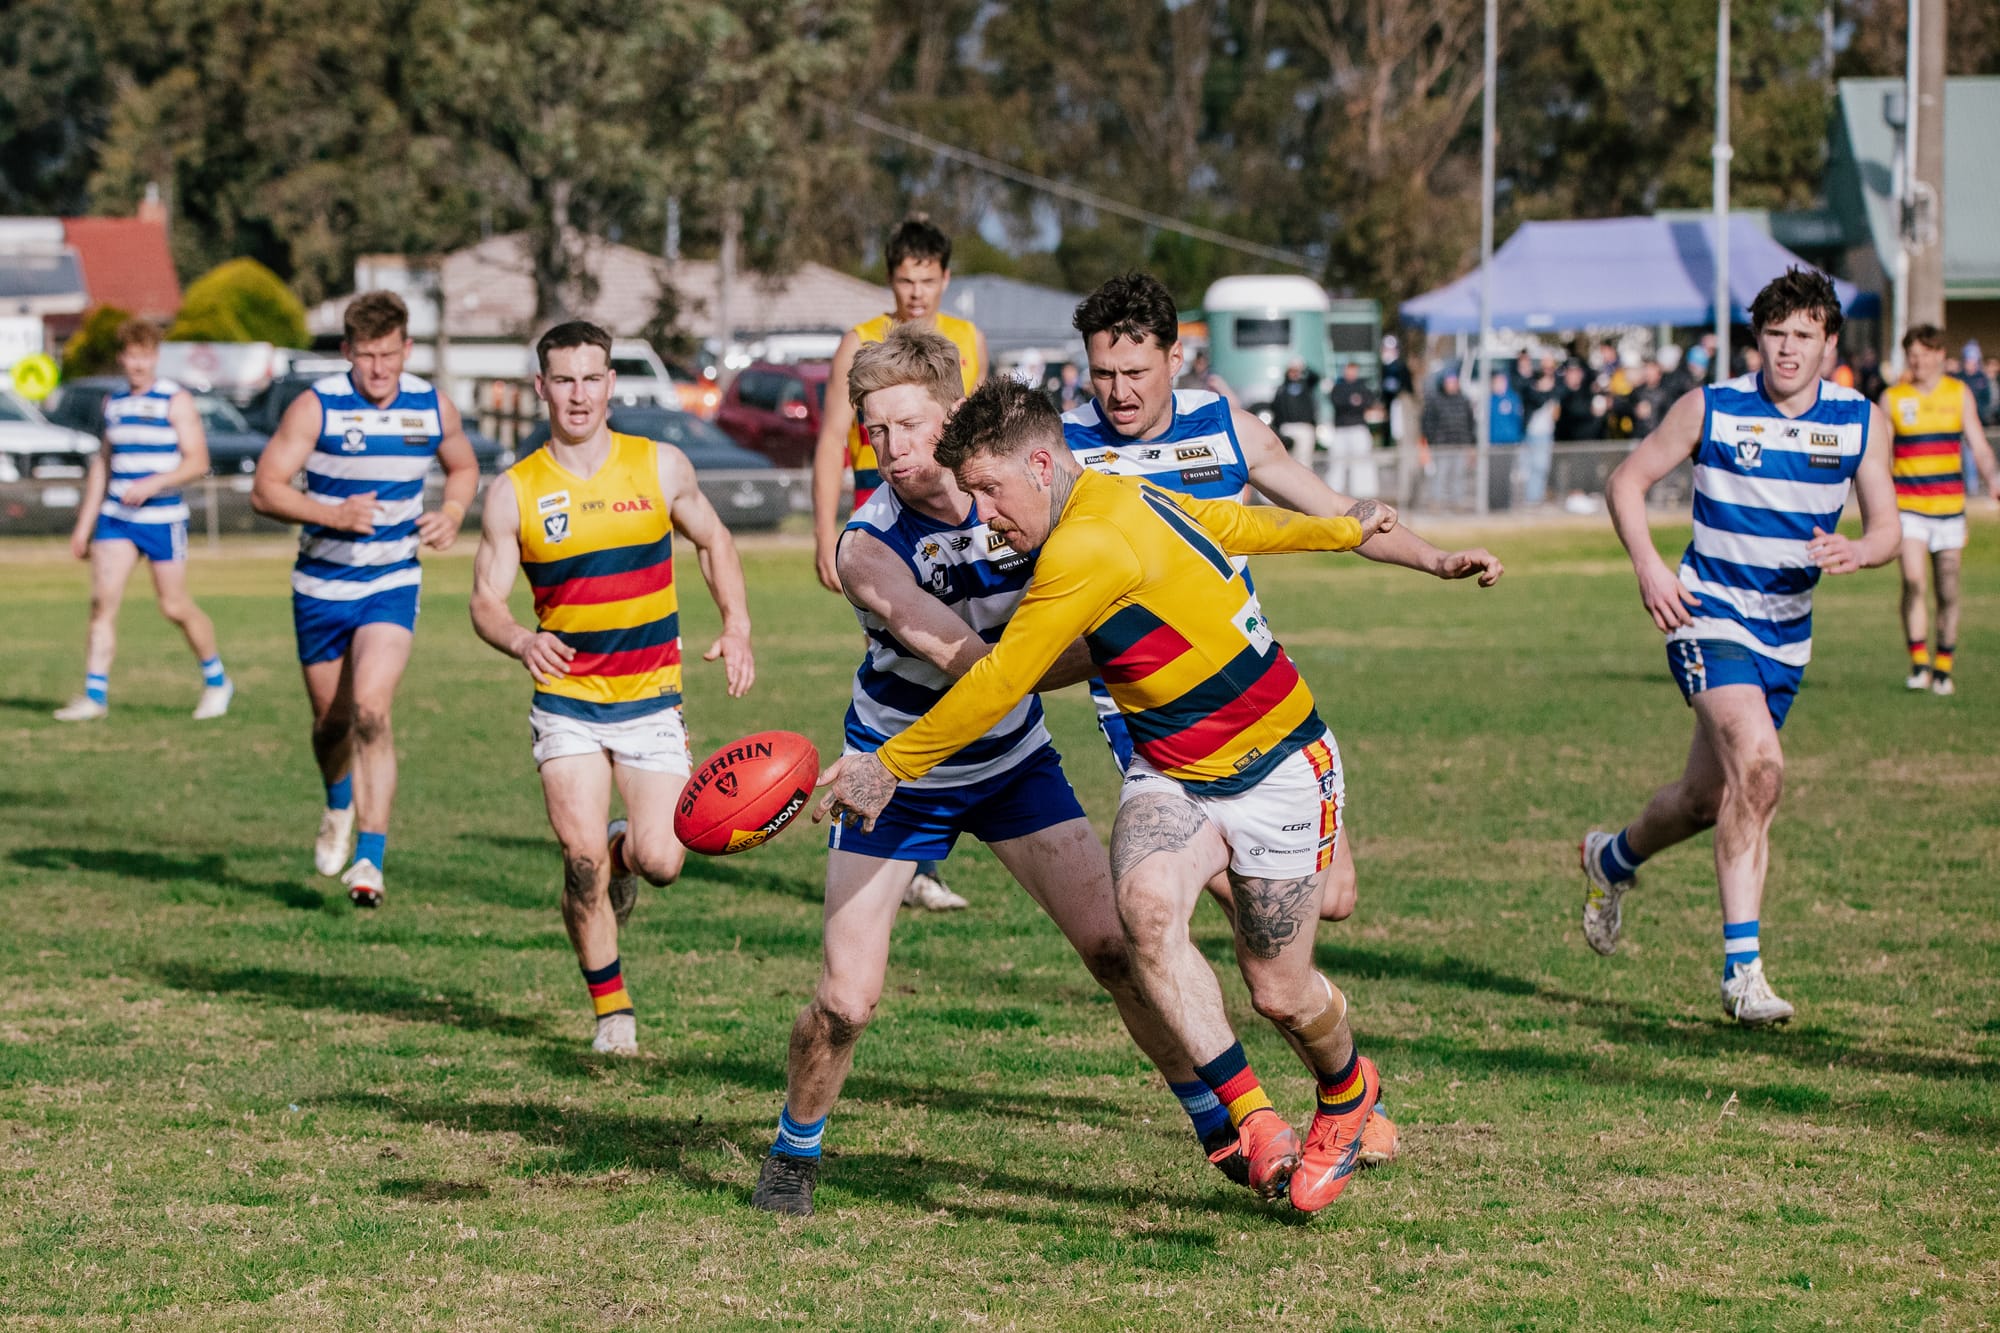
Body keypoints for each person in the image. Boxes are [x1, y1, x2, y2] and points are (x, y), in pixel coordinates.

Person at [818, 379, 1400, 1213]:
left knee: (1280, 991)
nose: (982, 515)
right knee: (1147, 912)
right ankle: (1253, 1118)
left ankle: (1346, 1090)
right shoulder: (1119, 493)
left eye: (990, 489)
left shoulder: (1084, 546)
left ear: (1044, 464)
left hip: (1277, 761)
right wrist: (1339, 527)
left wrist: (890, 763)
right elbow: (1232, 522)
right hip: (1171, 765)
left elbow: (1002, 681)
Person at [752, 330, 1219, 1217]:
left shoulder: (1020, 492)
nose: (892, 449)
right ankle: (794, 1146)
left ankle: (1216, 1119)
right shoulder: (867, 547)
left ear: (954, 416)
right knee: (847, 1002)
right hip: (893, 774)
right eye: (874, 430)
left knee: (1118, 952)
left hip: (1010, 762)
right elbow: (970, 660)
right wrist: (1135, 644)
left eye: (909, 425)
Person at [1060, 272, 1501, 924]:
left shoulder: (1228, 429)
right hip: (1144, 708)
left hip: (1252, 690)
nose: (1118, 392)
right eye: (1102, 373)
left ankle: (1277, 977)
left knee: (1335, 899)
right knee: (1248, 915)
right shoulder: (1063, 449)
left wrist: (1435, 560)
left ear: (1175, 359)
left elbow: (1338, 516)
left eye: (1135, 371)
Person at [1580, 268, 1900, 1026]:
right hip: (1707, 615)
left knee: (1706, 800)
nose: (1787, 351)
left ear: (1829, 341)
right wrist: (1651, 568)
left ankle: (1610, 858)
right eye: (1775, 334)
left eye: (1804, 336)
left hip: (1787, 637)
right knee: (1761, 770)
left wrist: (1862, 549)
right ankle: (1742, 973)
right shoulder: (1713, 407)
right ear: (1758, 337)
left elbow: (1888, 526)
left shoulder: (1859, 420)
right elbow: (1627, 481)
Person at [469, 321, 754, 1055]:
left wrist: (738, 623)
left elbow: (714, 537)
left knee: (661, 860)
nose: (578, 394)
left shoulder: (659, 466)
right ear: (541, 388)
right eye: (563, 379)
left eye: (591, 378)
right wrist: (520, 639)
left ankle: (626, 846)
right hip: (566, 704)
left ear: (610, 385)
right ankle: (613, 1010)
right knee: (580, 859)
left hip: (652, 699)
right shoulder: (516, 492)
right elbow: (485, 601)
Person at [251, 291, 480, 907]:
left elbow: (462, 466)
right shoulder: (316, 407)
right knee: (332, 726)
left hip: (391, 581)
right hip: (321, 588)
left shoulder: (431, 407)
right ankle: (336, 803)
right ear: (348, 351)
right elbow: (266, 490)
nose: (379, 370)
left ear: (407, 349)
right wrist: (330, 512)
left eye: (390, 355)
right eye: (367, 357)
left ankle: (371, 862)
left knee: (373, 711)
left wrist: (453, 512)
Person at [809, 216, 986, 913]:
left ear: (943, 279)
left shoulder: (966, 339)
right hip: (881, 508)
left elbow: (980, 423)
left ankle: (923, 852)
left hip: (950, 500)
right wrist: (826, 532)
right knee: (911, 662)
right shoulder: (860, 339)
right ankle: (905, 844)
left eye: (926, 279)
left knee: (961, 663)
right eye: (903, 280)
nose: (915, 292)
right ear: (891, 281)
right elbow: (830, 438)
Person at [55, 319, 235, 723]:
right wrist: (85, 524)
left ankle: (217, 680)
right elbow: (103, 464)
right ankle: (94, 695)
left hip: (162, 518)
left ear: (155, 357)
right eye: (131, 355)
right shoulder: (114, 402)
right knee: (102, 603)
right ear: (122, 358)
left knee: (173, 605)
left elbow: (197, 461)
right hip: (116, 519)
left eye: (145, 355)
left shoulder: (176, 400)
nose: (138, 364)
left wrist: (155, 483)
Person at [1881, 324, 2000, 696]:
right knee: (1914, 580)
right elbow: (1881, 456)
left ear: (1937, 355)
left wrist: (1993, 478)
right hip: (1909, 508)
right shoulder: (1893, 398)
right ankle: (1919, 663)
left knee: (1948, 590)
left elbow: (1978, 444)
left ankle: (1943, 666)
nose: (1915, 361)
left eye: (1921, 354)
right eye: (1910, 355)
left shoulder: (1958, 393)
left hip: (1950, 509)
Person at [1325, 360, 1380, 498]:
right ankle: (1333, 492)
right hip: (1341, 428)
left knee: (1362, 461)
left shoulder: (1362, 387)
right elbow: (1339, 402)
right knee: (1337, 461)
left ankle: (1363, 494)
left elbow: (1368, 401)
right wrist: (1353, 401)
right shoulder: (1338, 387)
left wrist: (1354, 403)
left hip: (1358, 427)